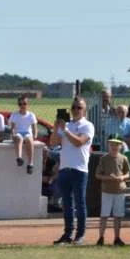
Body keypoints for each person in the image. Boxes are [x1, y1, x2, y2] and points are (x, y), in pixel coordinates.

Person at [51, 97, 95, 245]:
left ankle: (80, 234)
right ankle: (67, 233)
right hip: (65, 168)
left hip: (79, 169)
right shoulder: (66, 125)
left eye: (79, 108)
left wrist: (65, 130)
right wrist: (56, 127)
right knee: (67, 204)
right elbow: (53, 142)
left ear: (84, 110)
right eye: (74, 107)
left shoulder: (87, 126)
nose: (76, 110)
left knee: (80, 202)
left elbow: (79, 142)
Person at [94, 136, 130, 246]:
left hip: (119, 190)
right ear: (108, 145)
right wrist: (109, 178)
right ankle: (101, 237)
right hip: (107, 190)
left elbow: (128, 173)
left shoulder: (123, 158)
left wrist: (122, 178)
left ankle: (117, 238)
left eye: (117, 144)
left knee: (118, 216)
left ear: (120, 146)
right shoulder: (104, 159)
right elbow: (97, 175)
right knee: (104, 215)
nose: (114, 147)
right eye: (112, 144)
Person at [9, 95, 38, 173]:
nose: (22, 106)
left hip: (28, 133)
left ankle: (30, 164)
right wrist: (13, 135)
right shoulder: (14, 114)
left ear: (27, 104)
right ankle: (19, 158)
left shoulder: (31, 115)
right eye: (20, 104)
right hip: (18, 132)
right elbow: (12, 128)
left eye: (24, 103)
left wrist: (35, 136)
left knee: (29, 139)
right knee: (19, 138)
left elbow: (34, 127)